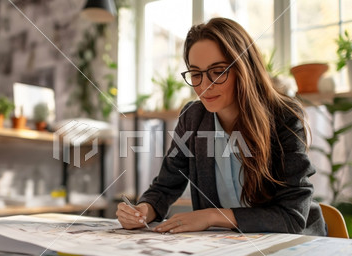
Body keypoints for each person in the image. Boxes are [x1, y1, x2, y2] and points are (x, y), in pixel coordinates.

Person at [116, 17, 326, 236]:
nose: (205, 86)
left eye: (218, 72)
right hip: (227, 245)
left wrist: (212, 216)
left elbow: (292, 216)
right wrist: (143, 210)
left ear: (245, 70)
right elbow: (165, 186)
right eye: (196, 74)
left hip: (293, 245)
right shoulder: (192, 118)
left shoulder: (284, 116)